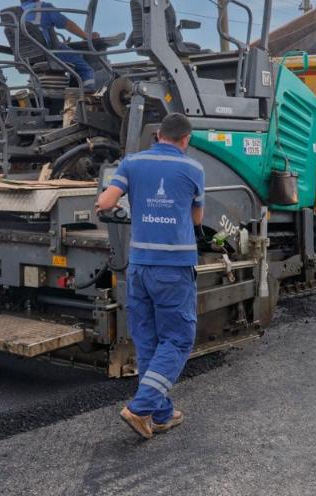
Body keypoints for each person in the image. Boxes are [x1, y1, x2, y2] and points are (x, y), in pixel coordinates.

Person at [95, 113, 205, 439]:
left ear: (157, 135)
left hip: (140, 266)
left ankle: (161, 413)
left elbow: (105, 202)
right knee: (178, 339)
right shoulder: (193, 169)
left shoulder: (131, 163)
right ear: (185, 140)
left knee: (148, 341)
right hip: (174, 268)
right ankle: (140, 408)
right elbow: (197, 217)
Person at [18, 0, 97, 87]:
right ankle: (87, 98)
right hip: (48, 52)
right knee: (85, 69)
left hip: (25, 58)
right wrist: (86, 36)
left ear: (22, 1)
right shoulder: (43, 7)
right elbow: (67, 24)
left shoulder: (16, 13)